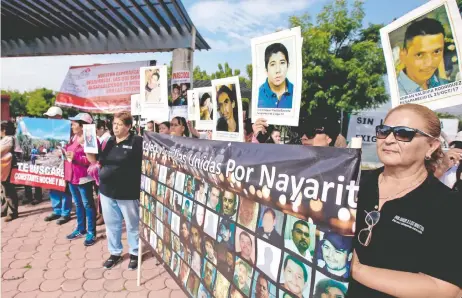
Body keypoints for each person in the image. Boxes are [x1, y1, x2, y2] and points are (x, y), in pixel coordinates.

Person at [348, 104, 461, 297]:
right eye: (384, 131)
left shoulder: (449, 205)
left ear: (431, 146)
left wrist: (357, 270)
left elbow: (445, 288)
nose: (389, 140)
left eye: (403, 133)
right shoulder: (352, 182)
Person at [91, 111, 142, 270]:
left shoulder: (137, 141)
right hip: (107, 191)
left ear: (128, 126)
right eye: (114, 124)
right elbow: (100, 161)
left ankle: (134, 253)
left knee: (132, 224)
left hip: (128, 192)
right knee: (112, 225)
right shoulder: (109, 142)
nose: (116, 127)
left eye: (119, 124)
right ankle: (115, 252)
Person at [64, 113, 97, 246]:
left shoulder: (90, 139)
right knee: (78, 204)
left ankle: (91, 232)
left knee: (88, 204)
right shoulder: (73, 138)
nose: (72, 126)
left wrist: (76, 157)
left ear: (83, 126)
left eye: (74, 124)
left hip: (83, 177)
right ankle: (81, 228)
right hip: (72, 176)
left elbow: (92, 161)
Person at [397, 18, 450, 96]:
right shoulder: (394, 94)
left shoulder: (446, 85)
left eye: (436, 52)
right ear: (403, 55)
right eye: (420, 55)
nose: (429, 63)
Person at [43, 106, 72, 225]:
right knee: (52, 186)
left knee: (64, 188)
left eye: (51, 117)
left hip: (63, 163)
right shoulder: (47, 130)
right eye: (48, 117)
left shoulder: (68, 128)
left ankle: (65, 213)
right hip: (51, 162)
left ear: (59, 117)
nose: (49, 119)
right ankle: (57, 210)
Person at [258, 42, 294, 109]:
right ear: (266, 69)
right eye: (272, 64)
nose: (278, 70)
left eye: (282, 63)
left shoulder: (296, 92)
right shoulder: (257, 95)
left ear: (288, 65)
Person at [1, 121, 19, 222]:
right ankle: (4, 209)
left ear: (4, 130)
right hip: (4, 168)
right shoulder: (6, 138)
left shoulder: (8, 139)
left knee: (8, 190)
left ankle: (12, 212)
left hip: (7, 168)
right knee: (3, 189)